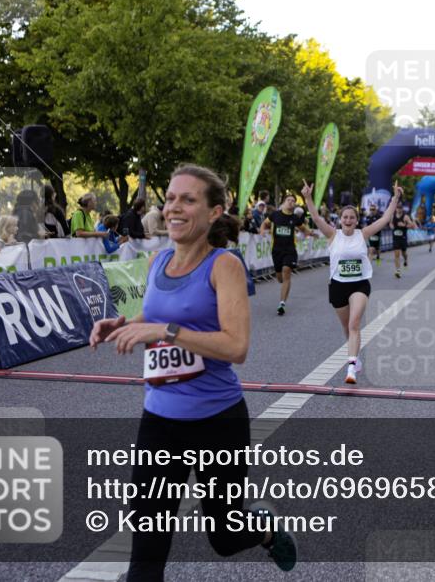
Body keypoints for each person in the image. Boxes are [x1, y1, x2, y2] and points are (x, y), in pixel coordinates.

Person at [89, 164, 297, 580]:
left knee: (224, 536)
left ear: (214, 212)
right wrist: (125, 323)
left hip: (217, 422)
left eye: (188, 199)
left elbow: (236, 346)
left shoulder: (224, 266)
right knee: (145, 554)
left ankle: (265, 532)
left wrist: (166, 331)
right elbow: (156, 312)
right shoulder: (158, 260)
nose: (174, 207)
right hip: (159, 422)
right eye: (169, 198)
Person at [302, 179, 402, 385]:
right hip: (338, 285)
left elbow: (384, 219)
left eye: (352, 217)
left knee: (354, 323)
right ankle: (354, 355)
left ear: (357, 220)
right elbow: (315, 217)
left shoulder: (363, 234)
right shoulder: (332, 235)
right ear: (340, 220)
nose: (348, 220)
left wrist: (395, 198)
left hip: (359, 284)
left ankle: (351, 367)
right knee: (347, 329)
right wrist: (308, 198)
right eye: (345, 217)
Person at [260, 193, 310, 315]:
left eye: (293, 201)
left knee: (286, 270)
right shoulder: (274, 215)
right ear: (283, 202)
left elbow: (303, 229)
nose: (291, 202)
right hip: (276, 251)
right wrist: (262, 230)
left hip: (290, 250)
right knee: (280, 278)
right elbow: (265, 224)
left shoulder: (295, 218)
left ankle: (282, 303)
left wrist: (310, 233)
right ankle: (284, 285)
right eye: (288, 200)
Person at [390, 205, 416, 278]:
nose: (398, 209)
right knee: (396, 255)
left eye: (400, 208)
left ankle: (405, 260)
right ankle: (398, 271)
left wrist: (404, 225)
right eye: (397, 208)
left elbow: (413, 226)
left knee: (404, 253)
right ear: (396, 209)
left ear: (402, 209)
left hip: (403, 238)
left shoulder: (405, 217)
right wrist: (391, 226)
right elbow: (390, 223)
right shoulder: (393, 216)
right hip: (395, 238)